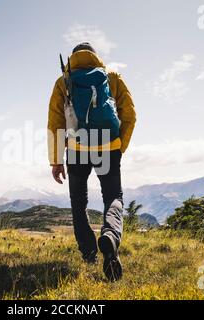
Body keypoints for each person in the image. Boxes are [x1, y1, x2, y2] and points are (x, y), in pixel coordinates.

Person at [47, 42, 137, 281]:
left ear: (72, 58)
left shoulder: (63, 81)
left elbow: (55, 122)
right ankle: (110, 236)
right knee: (113, 197)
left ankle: (89, 255)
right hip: (108, 146)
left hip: (77, 149)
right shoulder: (111, 77)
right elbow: (129, 114)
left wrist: (56, 161)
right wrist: (119, 146)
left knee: (79, 203)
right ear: (95, 57)